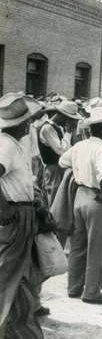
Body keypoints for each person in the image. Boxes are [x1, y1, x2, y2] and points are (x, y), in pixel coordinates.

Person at [59, 107, 102, 304]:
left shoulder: (80, 145)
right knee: (98, 247)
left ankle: (74, 286)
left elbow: (62, 161)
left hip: (80, 196)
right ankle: (92, 291)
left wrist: (79, 172)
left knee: (79, 245)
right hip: (98, 198)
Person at [0, 93, 44, 338]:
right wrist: (5, 208)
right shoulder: (6, 144)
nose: (28, 125)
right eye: (26, 121)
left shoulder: (12, 143)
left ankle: (17, 328)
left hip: (23, 211)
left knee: (18, 274)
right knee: (7, 275)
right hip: (15, 214)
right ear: (20, 124)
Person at [38, 100, 83, 206]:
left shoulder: (57, 128)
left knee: (60, 198)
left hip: (59, 167)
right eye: (70, 119)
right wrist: (68, 132)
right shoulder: (48, 128)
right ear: (63, 116)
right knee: (54, 198)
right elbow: (62, 151)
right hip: (53, 168)